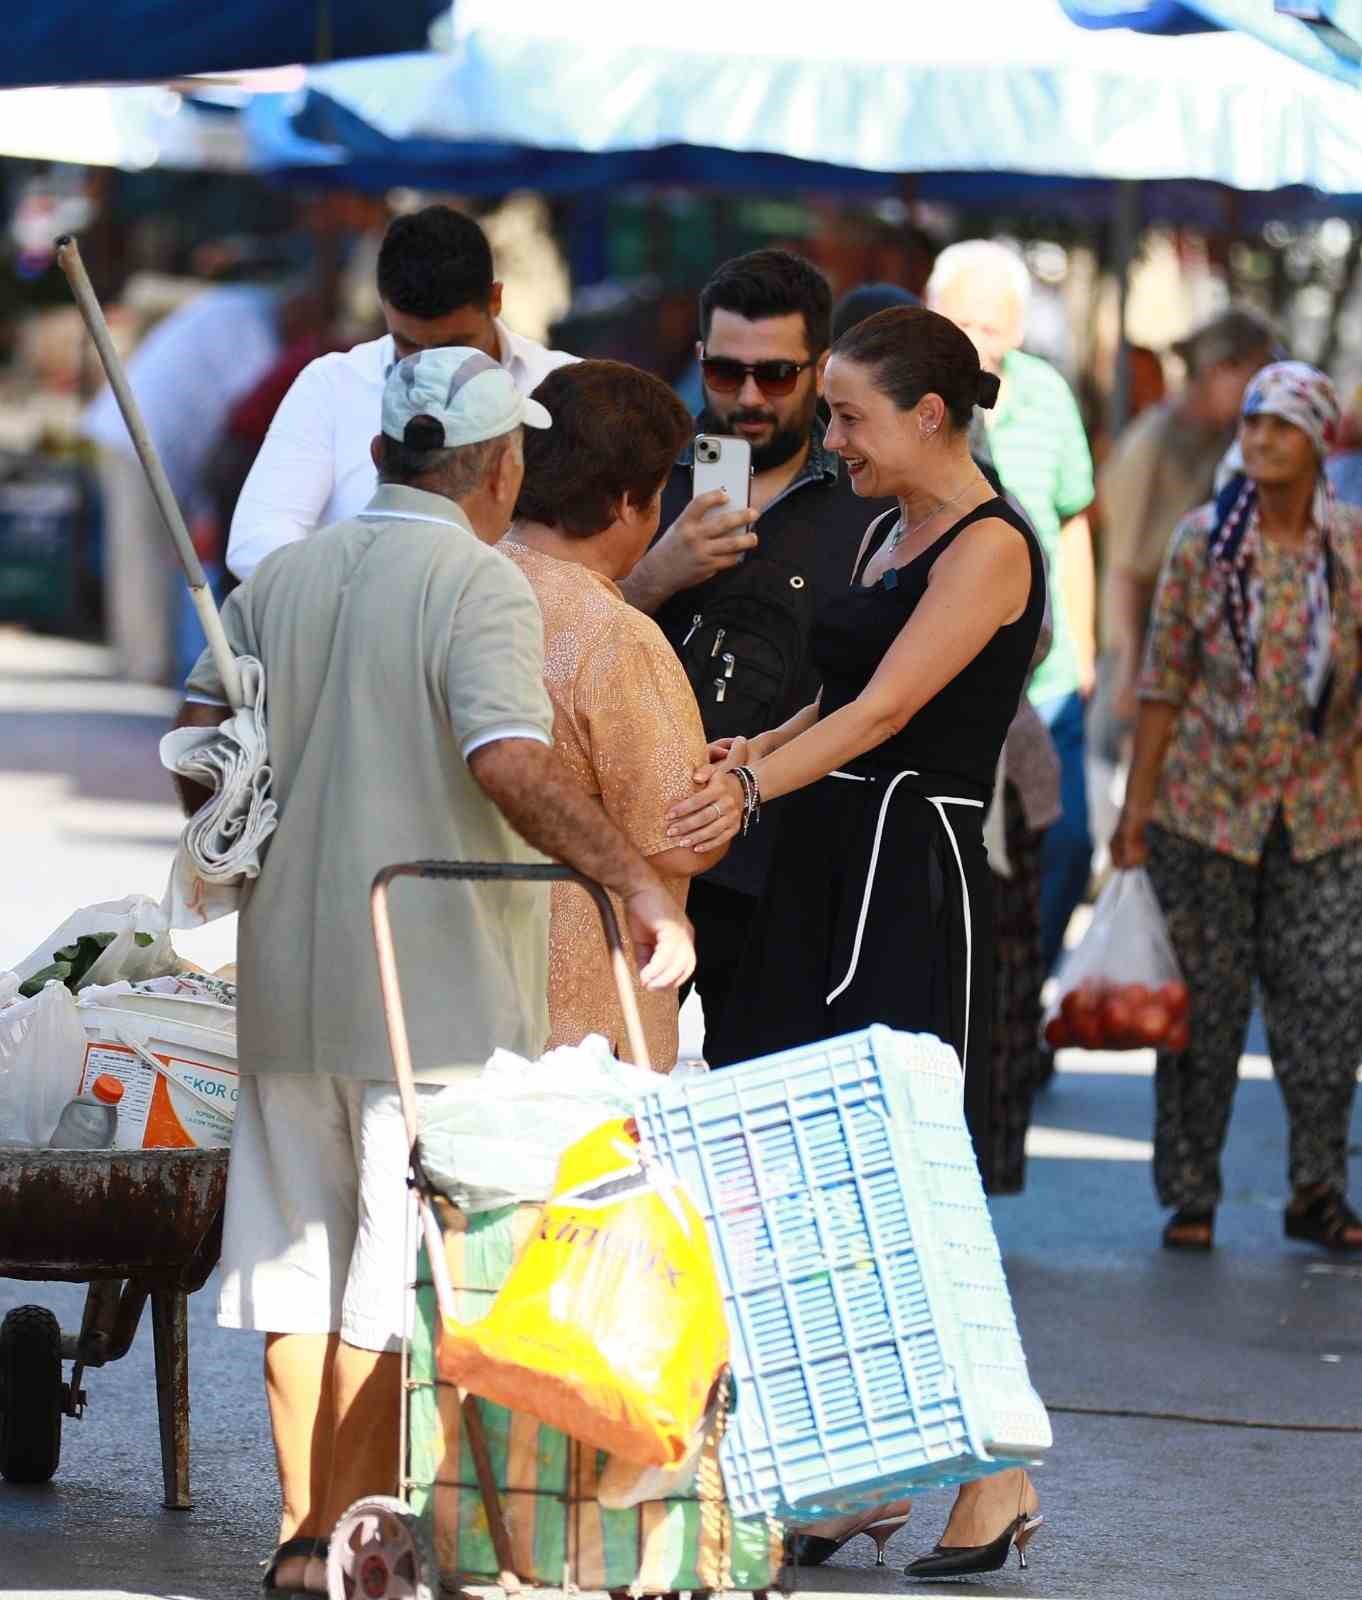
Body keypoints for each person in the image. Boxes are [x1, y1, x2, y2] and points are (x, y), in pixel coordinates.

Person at [172, 348, 694, 1597]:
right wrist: (630, 882)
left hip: (289, 973)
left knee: (295, 1264)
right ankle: (338, 1538)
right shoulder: (480, 586)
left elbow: (200, 754)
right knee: (388, 1279)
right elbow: (506, 760)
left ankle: (306, 1539)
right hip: (430, 989)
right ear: (504, 465)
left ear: (378, 455)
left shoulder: (282, 580)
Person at [668, 306, 1046, 1578]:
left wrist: (759, 789)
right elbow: (838, 698)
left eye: (846, 414)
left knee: (900, 1166)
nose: (829, 436)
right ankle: (854, 1468)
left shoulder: (994, 547)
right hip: (831, 854)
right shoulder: (892, 525)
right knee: (817, 1168)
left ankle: (993, 1477)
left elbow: (892, 707)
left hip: (907, 870)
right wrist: (756, 751)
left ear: (929, 416)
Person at [1112, 361, 1362, 1257]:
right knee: (1206, 1013)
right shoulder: (1202, 543)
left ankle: (1318, 1189)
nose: (1259, 439)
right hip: (1203, 811)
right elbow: (1163, 680)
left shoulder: (1351, 545)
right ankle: (1190, 1194)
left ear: (1320, 442)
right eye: (1252, 423)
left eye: (1282, 427)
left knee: (1330, 1004)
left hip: (1325, 816)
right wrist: (1135, 809)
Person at [621, 249, 893, 1050]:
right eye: (726, 373)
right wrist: (658, 572)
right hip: (645, 844)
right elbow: (562, 635)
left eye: (775, 375)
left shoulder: (868, 488)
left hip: (798, 858)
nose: (747, 398)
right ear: (699, 359)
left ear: (820, 369)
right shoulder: (643, 475)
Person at [503, 360, 738, 1068]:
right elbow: (681, 837)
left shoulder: (461, 582)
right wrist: (733, 797)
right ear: (630, 501)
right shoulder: (614, 633)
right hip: (580, 1020)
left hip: (453, 983)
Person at [227, 204, 576, 580]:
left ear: (495, 300)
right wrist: (374, 601)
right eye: (409, 345)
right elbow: (256, 543)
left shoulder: (564, 385)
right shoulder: (332, 385)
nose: (431, 366)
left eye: (456, 345)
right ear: (384, 305)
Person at [927, 239, 1096, 973]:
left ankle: (1028, 1003)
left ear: (1019, 330)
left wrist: (1084, 643)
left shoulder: (1051, 397)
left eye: (989, 327)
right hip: (954, 672)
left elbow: (1075, 518)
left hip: (1045, 675)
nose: (974, 341)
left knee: (1067, 843)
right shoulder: (917, 398)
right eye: (958, 321)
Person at [82, 279, 285, 681]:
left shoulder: (237, 307)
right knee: (143, 553)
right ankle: (146, 667)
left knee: (146, 553)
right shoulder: (250, 318)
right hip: (140, 436)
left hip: (146, 436)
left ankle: (146, 662)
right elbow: (250, 401)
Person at [1098, 308, 1277, 739]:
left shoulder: (1226, 440)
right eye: (1254, 373)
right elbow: (1126, 567)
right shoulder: (1152, 443)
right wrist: (1129, 668)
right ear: (1220, 369)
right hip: (1138, 646)